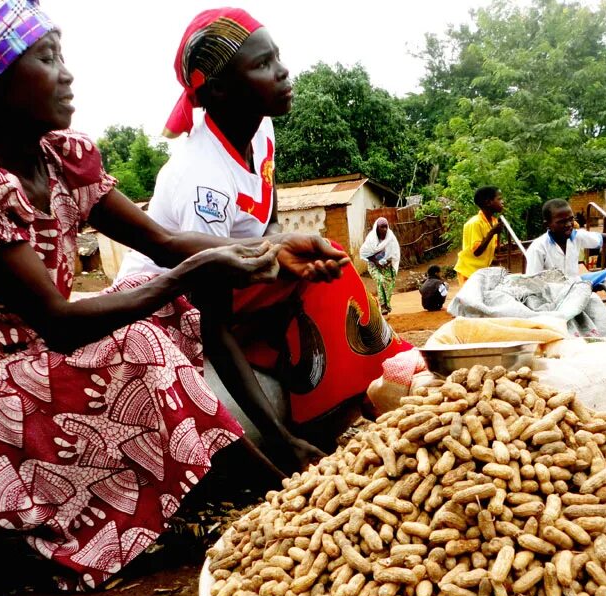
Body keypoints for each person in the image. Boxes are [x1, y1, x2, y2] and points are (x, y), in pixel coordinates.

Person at [0, 0, 346, 591]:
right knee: (140, 341)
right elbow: (60, 323)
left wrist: (269, 250)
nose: (67, 73)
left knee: (177, 314)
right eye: (47, 58)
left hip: (19, 356)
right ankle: (273, 495)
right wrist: (190, 273)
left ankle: (253, 476)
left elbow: (159, 238)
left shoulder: (63, 158)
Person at [115, 8, 411, 441]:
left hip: (239, 280)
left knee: (330, 264)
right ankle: (321, 414)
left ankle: (358, 390)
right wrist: (280, 441)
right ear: (218, 90)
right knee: (331, 283)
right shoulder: (202, 179)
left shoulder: (260, 130)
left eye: (277, 56)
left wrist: (285, 252)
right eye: (262, 64)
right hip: (172, 305)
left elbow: (266, 227)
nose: (283, 71)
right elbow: (210, 320)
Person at [454, 186, 504, 286]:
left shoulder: (493, 221)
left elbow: (491, 246)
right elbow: (477, 251)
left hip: (481, 272)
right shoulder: (475, 223)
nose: (502, 202)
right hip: (469, 271)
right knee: (473, 300)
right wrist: (492, 232)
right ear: (488, 202)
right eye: (499, 199)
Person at [360, 217, 401, 315]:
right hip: (373, 265)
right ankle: (382, 306)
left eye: (386, 227)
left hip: (386, 265)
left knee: (388, 285)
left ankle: (387, 306)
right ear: (377, 228)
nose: (385, 229)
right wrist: (376, 261)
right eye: (382, 227)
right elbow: (364, 253)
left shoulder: (390, 238)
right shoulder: (371, 239)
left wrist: (388, 262)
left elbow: (395, 253)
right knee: (380, 280)